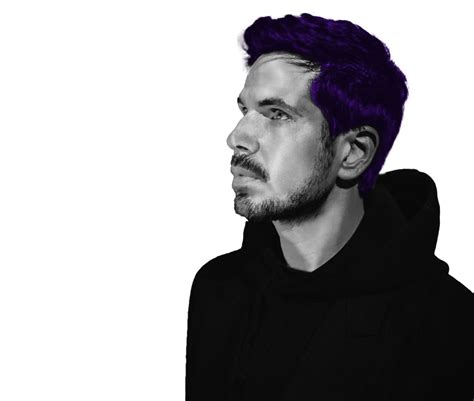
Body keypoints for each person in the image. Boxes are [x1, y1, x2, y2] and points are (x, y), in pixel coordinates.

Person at [185, 13, 474, 401]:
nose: (237, 137)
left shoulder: (450, 324)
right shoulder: (219, 290)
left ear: (353, 153)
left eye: (277, 114)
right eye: (245, 112)